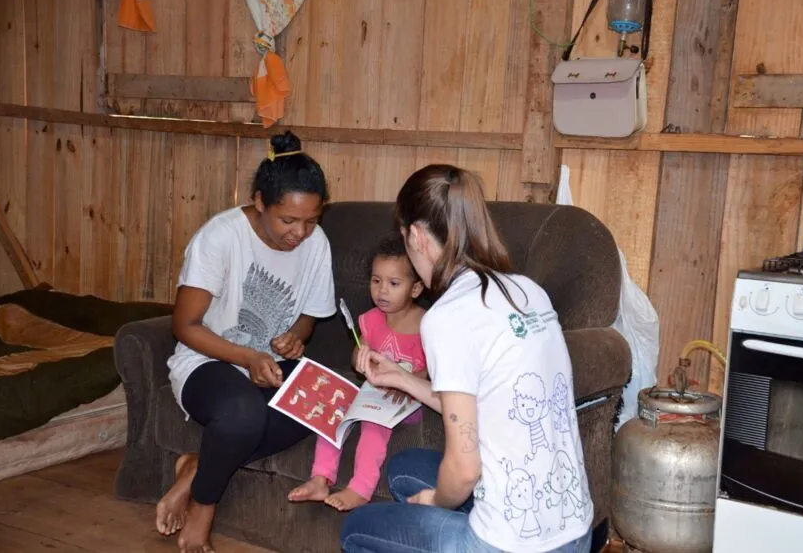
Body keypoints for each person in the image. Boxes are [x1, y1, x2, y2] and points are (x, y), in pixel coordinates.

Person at [340, 164, 594, 553]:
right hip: (575, 531)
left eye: (406, 241)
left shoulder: (449, 316)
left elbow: (464, 469)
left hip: (509, 544)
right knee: (405, 468)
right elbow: (477, 400)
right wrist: (402, 378)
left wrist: (434, 503)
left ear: (419, 237)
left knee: (356, 531)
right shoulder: (528, 291)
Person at [155, 132, 336, 553]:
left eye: (311, 220)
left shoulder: (317, 244)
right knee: (243, 414)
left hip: (267, 363)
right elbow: (185, 325)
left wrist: (297, 337)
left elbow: (309, 313)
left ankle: (200, 466)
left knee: (327, 402)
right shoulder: (220, 237)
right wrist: (247, 357)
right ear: (259, 202)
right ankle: (203, 509)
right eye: (287, 220)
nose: (300, 233)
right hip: (207, 361)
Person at [288, 236, 428, 511]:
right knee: (332, 406)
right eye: (376, 281)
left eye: (393, 283)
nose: (382, 291)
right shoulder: (372, 319)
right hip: (374, 393)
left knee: (372, 424)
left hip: (407, 401)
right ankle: (320, 478)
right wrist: (360, 359)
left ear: (416, 288)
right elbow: (357, 354)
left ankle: (360, 488)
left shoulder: (426, 324)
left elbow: (429, 373)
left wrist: (405, 384)